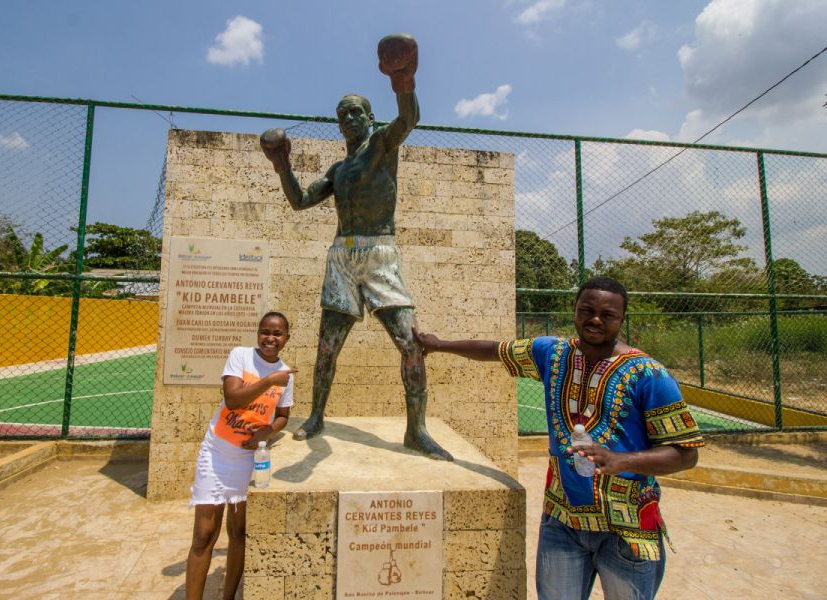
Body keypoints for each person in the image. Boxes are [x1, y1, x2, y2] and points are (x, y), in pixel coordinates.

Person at [414, 277, 705, 600]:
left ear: (622, 319)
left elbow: (685, 453)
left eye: (607, 314)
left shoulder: (650, 375)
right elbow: (495, 350)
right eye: (587, 310)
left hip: (626, 529)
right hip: (562, 521)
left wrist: (621, 460)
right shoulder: (553, 354)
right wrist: (438, 345)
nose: (595, 319)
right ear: (575, 310)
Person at [259, 34, 452, 461]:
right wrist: (281, 164)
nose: (347, 118)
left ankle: (415, 430)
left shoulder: (383, 144)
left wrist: (403, 78)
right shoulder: (339, 169)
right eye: (341, 114)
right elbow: (300, 201)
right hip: (342, 256)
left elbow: (409, 120)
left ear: (369, 117)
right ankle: (317, 416)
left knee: (410, 344)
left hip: (380, 252)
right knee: (327, 346)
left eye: (354, 112)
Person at [184, 311, 297, 600]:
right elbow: (233, 400)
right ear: (258, 333)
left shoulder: (286, 375)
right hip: (217, 453)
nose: (270, 338)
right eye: (265, 332)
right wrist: (270, 380)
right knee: (204, 535)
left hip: (249, 460)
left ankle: (229, 597)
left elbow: (283, 416)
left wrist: (266, 432)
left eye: (277, 333)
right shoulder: (241, 356)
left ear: (286, 338)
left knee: (238, 534)